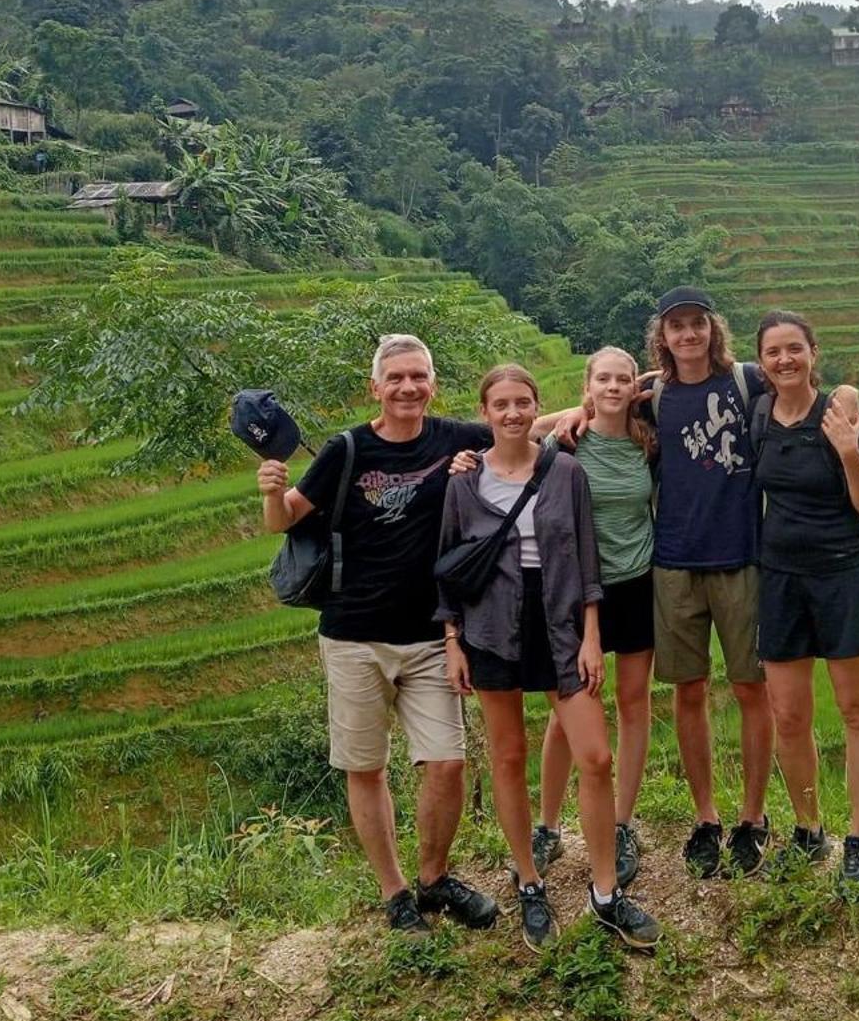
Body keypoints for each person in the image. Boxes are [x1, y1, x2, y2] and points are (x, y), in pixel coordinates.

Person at [257, 335, 573, 938]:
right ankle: (394, 891)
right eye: (396, 378)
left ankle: (434, 878)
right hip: (353, 635)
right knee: (366, 766)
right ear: (375, 386)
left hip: (430, 635)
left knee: (448, 763)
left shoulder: (453, 438)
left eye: (418, 377)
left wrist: (587, 407)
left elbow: (521, 424)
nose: (408, 387)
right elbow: (287, 518)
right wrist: (272, 491)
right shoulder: (346, 448)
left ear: (433, 384)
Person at [552, 286, 857, 878]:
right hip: (673, 564)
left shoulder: (748, 381)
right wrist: (573, 412)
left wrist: (846, 395)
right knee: (688, 693)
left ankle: (751, 817)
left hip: (743, 559)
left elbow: (821, 390)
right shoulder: (653, 395)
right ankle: (706, 817)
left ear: (712, 330)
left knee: (751, 690)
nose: (688, 335)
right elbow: (599, 405)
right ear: (661, 337)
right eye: (676, 327)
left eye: (697, 324)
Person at [438, 365, 662, 951]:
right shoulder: (463, 481)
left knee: (595, 756)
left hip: (559, 624)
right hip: (490, 629)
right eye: (501, 405)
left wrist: (591, 635)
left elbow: (588, 560)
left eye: (522, 403)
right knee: (508, 758)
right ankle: (530, 885)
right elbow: (449, 568)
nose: (512, 413)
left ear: (538, 407)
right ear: (485, 413)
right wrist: (453, 642)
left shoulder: (564, 470)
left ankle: (606, 892)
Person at [750, 310, 859, 884]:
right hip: (780, 581)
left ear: (813, 352)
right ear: (760, 362)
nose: (784, 360)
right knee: (787, 715)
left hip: (843, 576)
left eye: (794, 349)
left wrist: (849, 451)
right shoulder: (759, 414)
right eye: (773, 352)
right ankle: (809, 831)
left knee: (856, 709)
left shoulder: (840, 412)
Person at [530, 347, 658, 888]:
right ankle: (548, 825)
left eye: (622, 379)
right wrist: (562, 414)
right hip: (577, 589)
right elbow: (509, 428)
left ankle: (622, 821)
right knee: (568, 711)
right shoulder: (564, 440)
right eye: (602, 378)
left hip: (637, 582)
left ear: (634, 387)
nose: (613, 387)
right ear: (587, 385)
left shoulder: (645, 441)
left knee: (633, 702)